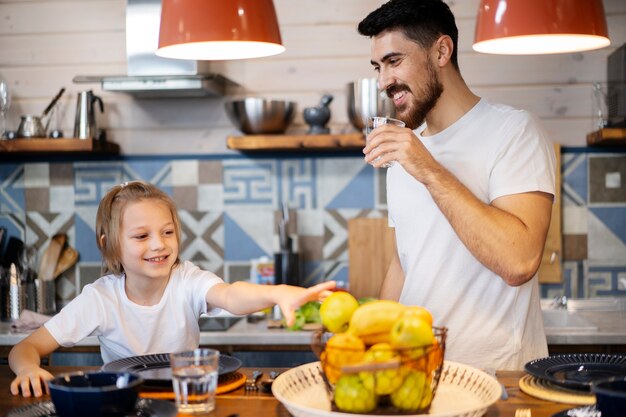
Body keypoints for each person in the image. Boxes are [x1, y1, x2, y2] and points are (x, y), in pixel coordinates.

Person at [358, 0, 556, 370]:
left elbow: (519, 261)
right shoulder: (402, 151)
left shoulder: (514, 131)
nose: (384, 82)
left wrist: (428, 168)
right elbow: (404, 263)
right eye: (378, 67)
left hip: (497, 379)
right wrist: (373, 344)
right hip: (415, 376)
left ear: (442, 51)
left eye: (394, 61)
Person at [9, 181, 336, 397]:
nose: (158, 244)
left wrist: (277, 292)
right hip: (127, 404)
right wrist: (28, 369)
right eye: (141, 236)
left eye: (167, 232)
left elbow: (231, 295)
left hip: (187, 400)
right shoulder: (101, 298)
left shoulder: (187, 280)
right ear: (110, 246)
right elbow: (24, 349)